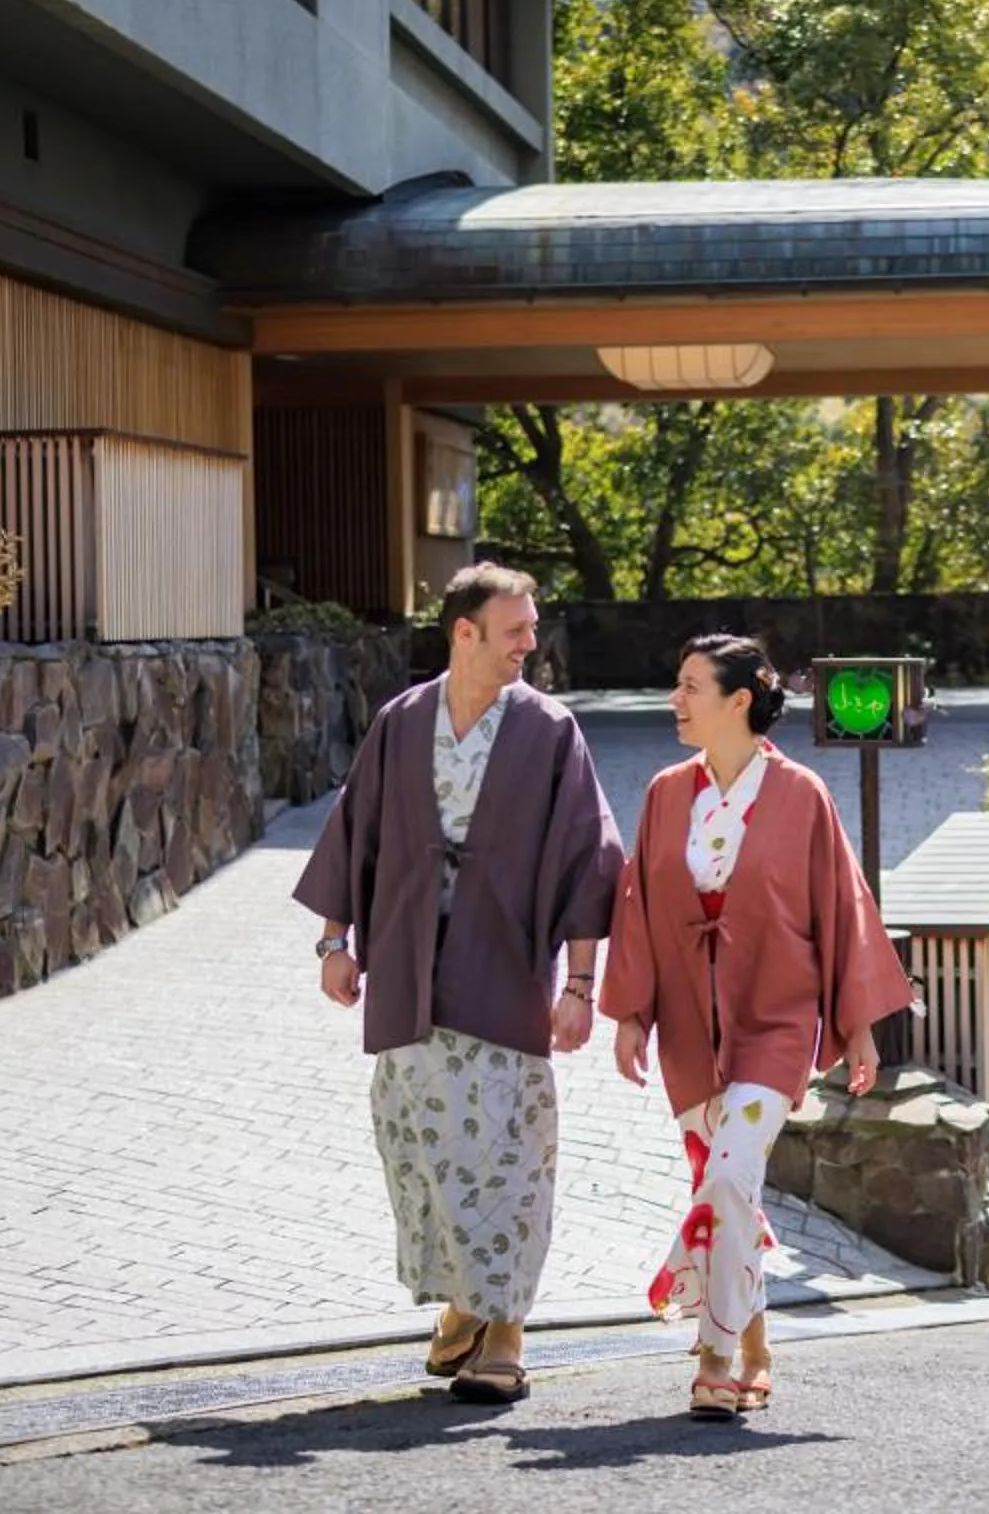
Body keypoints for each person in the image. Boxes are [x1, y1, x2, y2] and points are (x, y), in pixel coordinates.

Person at [292, 563, 621, 1407]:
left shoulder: (548, 732)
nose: (530, 643)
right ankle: (464, 1301)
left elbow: (588, 859)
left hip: (503, 968)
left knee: (510, 1150)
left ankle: (505, 1327)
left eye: (532, 628)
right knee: (418, 1144)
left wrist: (580, 986)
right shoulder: (404, 722)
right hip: (406, 969)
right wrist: (334, 941)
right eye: (515, 629)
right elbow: (353, 833)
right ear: (464, 632)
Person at [600, 634, 911, 1421]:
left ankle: (710, 1352)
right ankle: (758, 1350)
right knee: (727, 1192)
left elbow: (843, 907)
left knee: (730, 1178)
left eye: (690, 686)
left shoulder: (801, 793)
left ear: (739, 701)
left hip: (777, 1017)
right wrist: (632, 1011)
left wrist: (860, 1029)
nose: (675, 700)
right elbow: (636, 904)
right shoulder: (668, 792)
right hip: (689, 1028)